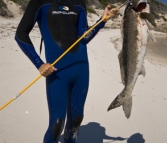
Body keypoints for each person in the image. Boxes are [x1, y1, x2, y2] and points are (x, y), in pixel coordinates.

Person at [15, 0, 118, 142]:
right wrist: (39, 64)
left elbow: (83, 38)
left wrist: (102, 20)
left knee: (76, 120)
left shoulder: (80, 2)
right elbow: (20, 34)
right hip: (57, 72)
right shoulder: (39, 2)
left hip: (81, 69)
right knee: (57, 124)